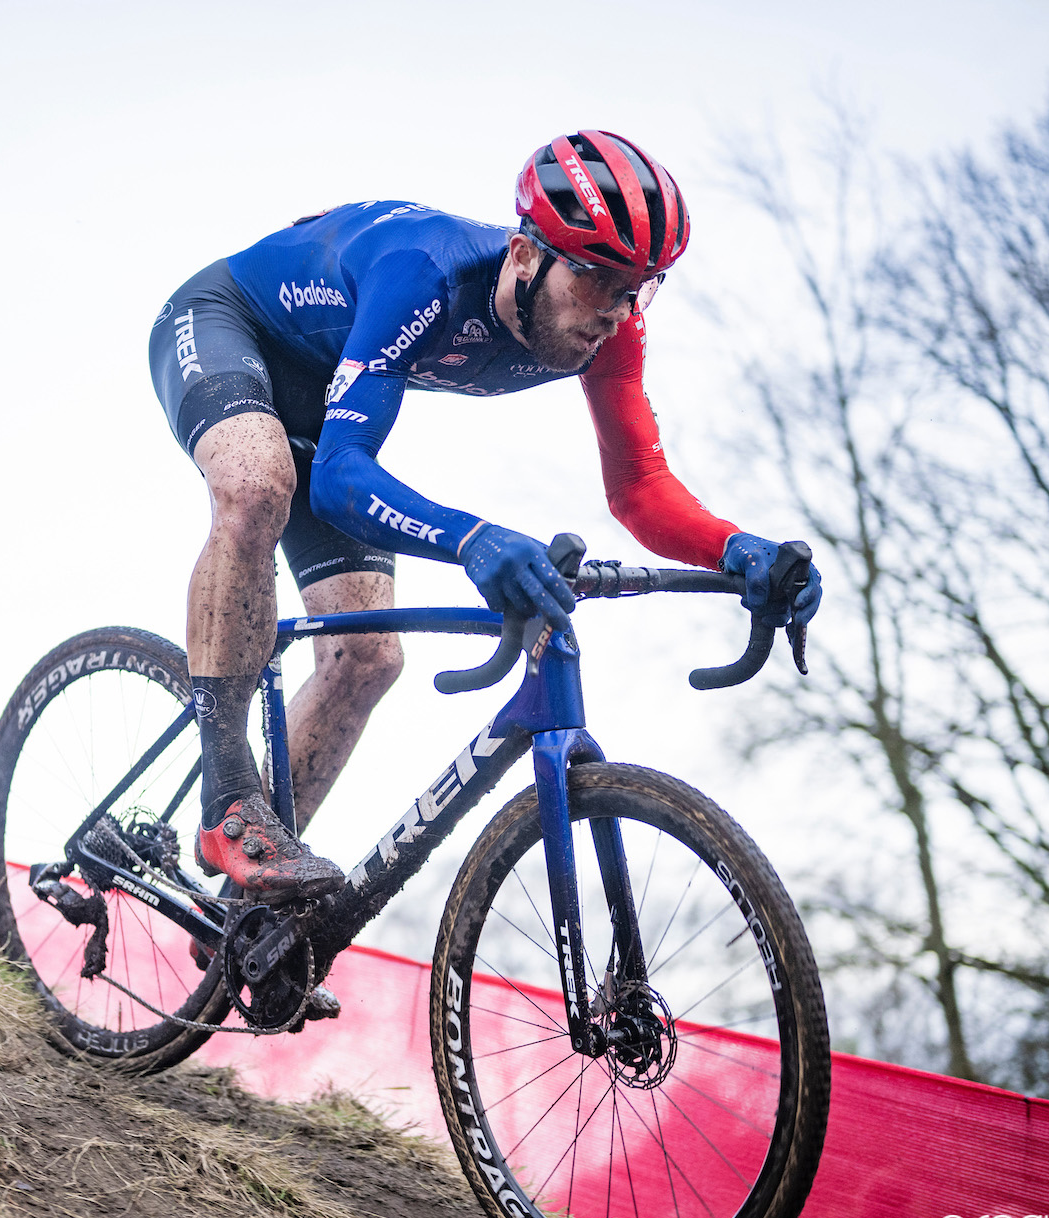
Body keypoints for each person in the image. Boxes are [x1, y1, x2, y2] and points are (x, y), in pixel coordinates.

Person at [147, 130, 821, 905]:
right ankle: (229, 802)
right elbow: (336, 478)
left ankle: (252, 920)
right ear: (527, 256)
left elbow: (637, 485)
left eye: (643, 286)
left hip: (329, 390)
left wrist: (735, 549)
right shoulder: (425, 274)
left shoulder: (612, 330)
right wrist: (470, 539)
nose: (619, 310)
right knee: (261, 484)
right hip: (227, 324)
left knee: (368, 659)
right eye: (601, 279)